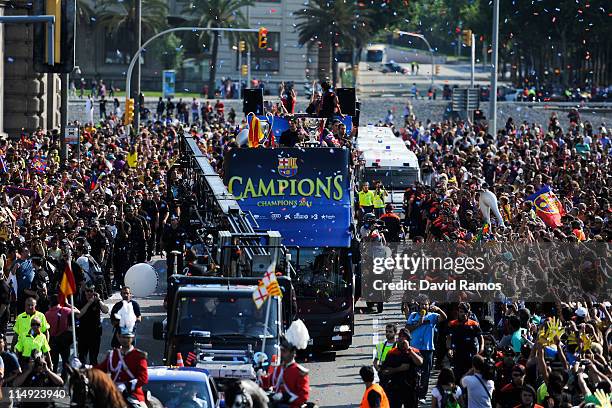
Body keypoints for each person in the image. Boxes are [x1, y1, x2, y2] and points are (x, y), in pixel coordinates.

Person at [259, 321, 310, 408]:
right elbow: (268, 382)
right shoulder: (279, 369)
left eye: (285, 351)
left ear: (293, 354)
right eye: (281, 351)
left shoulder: (299, 372)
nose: (282, 354)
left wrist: (286, 398)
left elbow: (303, 397)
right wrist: (259, 375)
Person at [406, 294, 447, 402]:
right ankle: (413, 392)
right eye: (422, 304)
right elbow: (408, 328)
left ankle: (422, 395)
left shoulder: (433, 316)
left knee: (426, 373)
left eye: (426, 304)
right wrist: (418, 324)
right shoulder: (413, 315)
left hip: (428, 349)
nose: (424, 306)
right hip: (415, 349)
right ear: (419, 305)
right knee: (414, 372)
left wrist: (438, 309)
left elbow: (444, 318)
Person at [95, 326, 149, 408]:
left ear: (133, 337)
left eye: (128, 337)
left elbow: (143, 378)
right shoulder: (113, 355)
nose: (125, 340)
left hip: (132, 394)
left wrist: (127, 386)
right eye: (123, 337)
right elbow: (100, 369)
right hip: (113, 393)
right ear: (118, 337)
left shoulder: (139, 356)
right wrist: (83, 367)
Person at [379, 328, 423, 408]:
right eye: (400, 336)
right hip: (395, 388)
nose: (402, 339)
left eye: (404, 337)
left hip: (411, 388)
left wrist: (409, 350)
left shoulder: (414, 352)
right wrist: (399, 369)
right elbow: (384, 371)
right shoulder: (392, 353)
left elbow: (420, 362)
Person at [44, 295, 80, 376]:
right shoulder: (65, 310)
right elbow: (78, 313)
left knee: (53, 363)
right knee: (65, 362)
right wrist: (68, 304)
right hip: (64, 340)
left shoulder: (47, 314)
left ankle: (54, 380)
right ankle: (64, 379)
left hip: (52, 341)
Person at [447, 302, 483, 380]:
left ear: (469, 312)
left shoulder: (474, 324)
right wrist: (449, 348)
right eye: (461, 312)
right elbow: (449, 338)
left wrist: (481, 349)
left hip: (471, 354)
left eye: (465, 312)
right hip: (457, 354)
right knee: (457, 377)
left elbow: (480, 337)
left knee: (471, 377)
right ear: (458, 312)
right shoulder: (452, 324)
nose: (463, 314)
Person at [76, 283, 109, 365]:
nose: (89, 293)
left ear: (94, 292)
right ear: (85, 292)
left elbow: (106, 310)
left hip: (95, 333)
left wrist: (99, 300)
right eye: (87, 291)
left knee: (93, 358)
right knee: (82, 357)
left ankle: (93, 376)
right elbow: (79, 315)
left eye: (91, 291)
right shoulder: (81, 301)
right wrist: (89, 303)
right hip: (83, 333)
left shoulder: (97, 302)